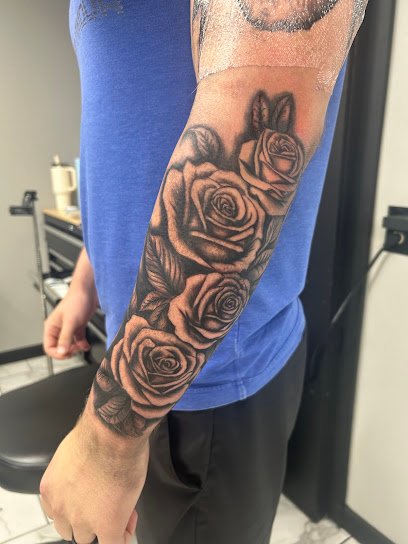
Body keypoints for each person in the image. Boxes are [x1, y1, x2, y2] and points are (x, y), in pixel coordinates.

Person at [40, 1, 367, 543]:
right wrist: (86, 281)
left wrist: (108, 440)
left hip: (208, 382)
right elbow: (126, 135)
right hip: (147, 357)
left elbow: (252, 101)